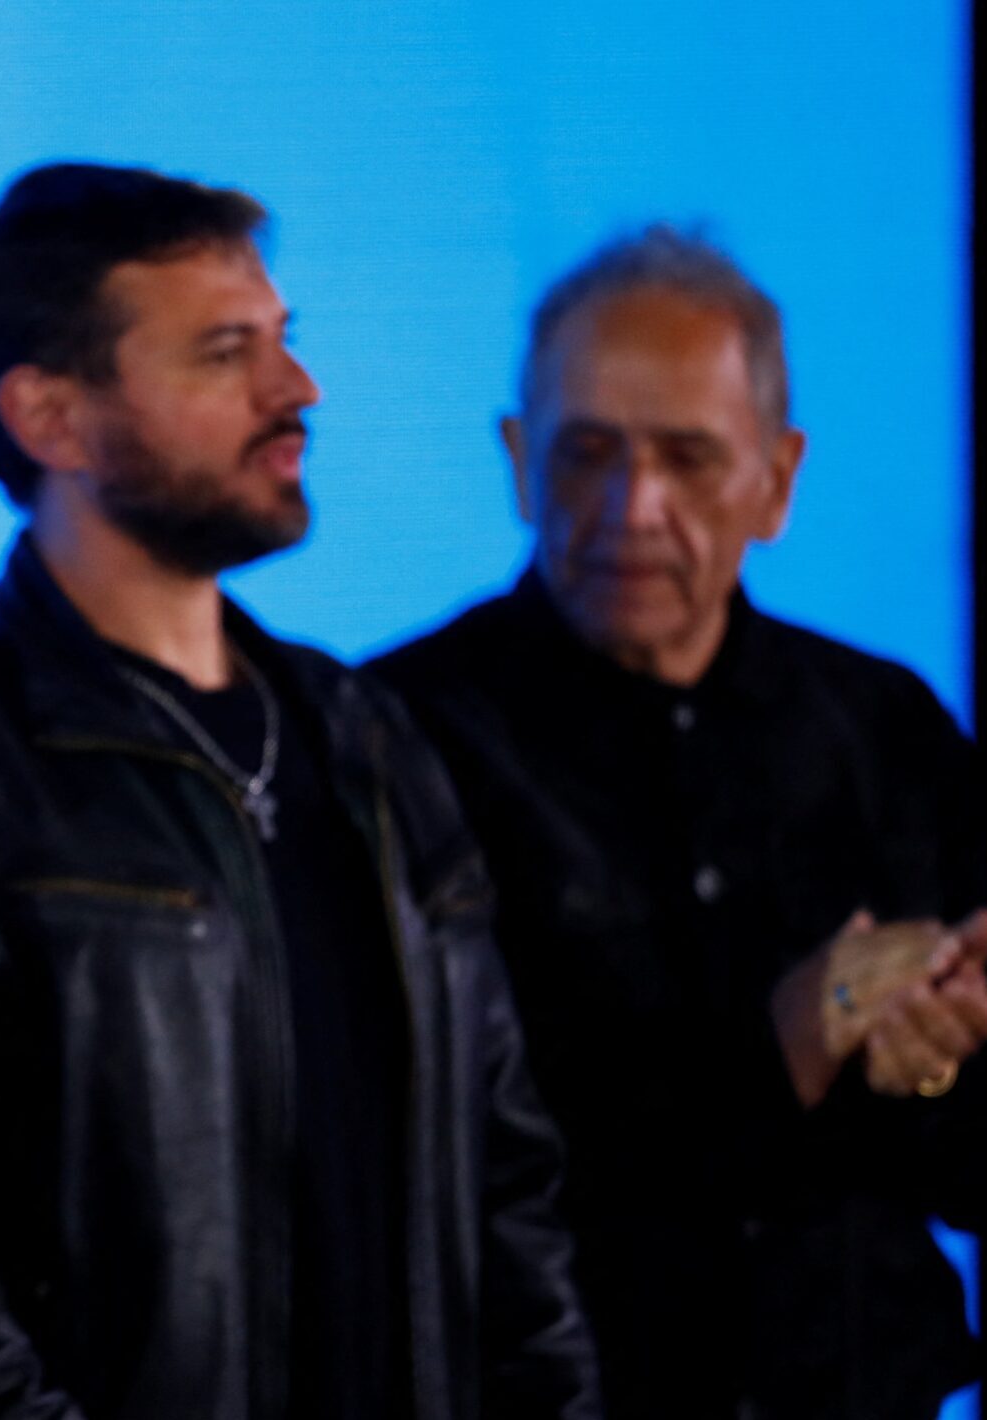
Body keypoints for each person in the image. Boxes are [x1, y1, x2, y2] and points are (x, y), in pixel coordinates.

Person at [0, 163, 599, 1420]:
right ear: (51, 417)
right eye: (226, 355)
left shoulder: (367, 737)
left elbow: (506, 1181)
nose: (296, 389)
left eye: (281, 338)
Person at [372, 226, 987, 1419]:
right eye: (586, 453)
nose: (633, 508)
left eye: (688, 458)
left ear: (777, 480)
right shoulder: (396, 738)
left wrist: (951, 1040)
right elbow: (419, 1161)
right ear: (518, 461)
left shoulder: (882, 725)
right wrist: (788, 1042)